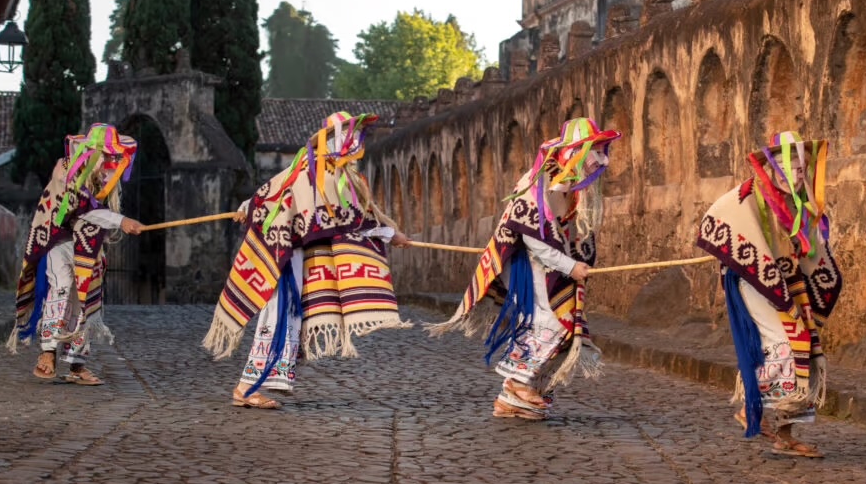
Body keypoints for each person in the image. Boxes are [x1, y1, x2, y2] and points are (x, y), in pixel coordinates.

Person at [204, 111, 411, 409]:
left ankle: (253, 384)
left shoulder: (326, 173)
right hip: (284, 258)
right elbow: (347, 220)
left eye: (354, 135)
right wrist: (391, 234)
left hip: (296, 257)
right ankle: (247, 388)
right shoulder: (317, 172)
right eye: (346, 135)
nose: (353, 141)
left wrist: (247, 206)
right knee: (277, 318)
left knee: (289, 319)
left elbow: (274, 193)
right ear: (332, 141)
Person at [429, 117, 621, 420]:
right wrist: (570, 266)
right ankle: (518, 381)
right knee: (555, 321)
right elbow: (533, 240)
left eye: (602, 150)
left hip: (553, 265)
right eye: (594, 150)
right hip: (528, 265)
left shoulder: (574, 187)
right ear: (575, 152)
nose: (601, 159)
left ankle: (520, 394)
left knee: (565, 326)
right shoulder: (537, 183)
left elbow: (571, 231)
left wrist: (575, 260)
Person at [696, 130, 842, 458]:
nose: (798, 168)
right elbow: (716, 221)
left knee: (806, 350)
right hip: (755, 281)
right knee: (785, 344)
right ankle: (755, 405)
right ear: (772, 163)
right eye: (788, 161)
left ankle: (785, 432)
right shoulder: (750, 193)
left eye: (801, 161)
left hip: (788, 284)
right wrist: (735, 249)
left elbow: (808, 243)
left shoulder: (800, 199)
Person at [8, 123, 144, 385]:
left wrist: (118, 221)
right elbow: (82, 210)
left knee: (85, 297)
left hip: (88, 245)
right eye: (104, 155)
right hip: (57, 241)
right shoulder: (65, 171)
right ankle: (47, 353)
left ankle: (78, 365)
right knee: (62, 287)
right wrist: (121, 221)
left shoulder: (102, 176)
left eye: (112, 156)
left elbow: (93, 212)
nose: (109, 161)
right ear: (90, 152)